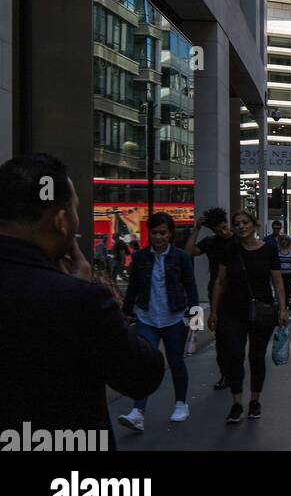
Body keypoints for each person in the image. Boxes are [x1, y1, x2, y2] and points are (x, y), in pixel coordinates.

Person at [0, 153, 164, 447]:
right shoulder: (77, 299)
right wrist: (95, 295)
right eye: (75, 210)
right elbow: (143, 375)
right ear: (62, 221)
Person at [118, 212, 199, 432]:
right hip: (147, 318)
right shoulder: (140, 257)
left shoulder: (181, 257)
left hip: (174, 318)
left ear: (170, 234)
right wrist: (125, 314)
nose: (158, 237)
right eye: (154, 233)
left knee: (176, 362)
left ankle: (181, 404)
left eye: (162, 233)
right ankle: (138, 412)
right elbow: (133, 287)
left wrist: (195, 319)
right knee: (143, 363)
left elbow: (191, 287)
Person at [209, 209, 286, 423]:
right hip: (232, 310)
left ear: (254, 225)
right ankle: (236, 403)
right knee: (234, 355)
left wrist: (282, 308)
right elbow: (220, 281)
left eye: (245, 222)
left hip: (261, 311)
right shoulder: (230, 249)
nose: (241, 226)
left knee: (256, 356)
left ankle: (254, 400)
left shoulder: (268, 250)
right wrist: (214, 311)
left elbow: (277, 281)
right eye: (237, 223)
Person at [184, 207, 233, 389]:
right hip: (217, 294)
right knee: (221, 340)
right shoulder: (211, 242)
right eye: (218, 229)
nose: (223, 231)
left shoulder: (237, 240)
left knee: (235, 338)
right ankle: (225, 375)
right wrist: (196, 228)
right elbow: (189, 251)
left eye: (224, 226)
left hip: (238, 293)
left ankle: (233, 373)